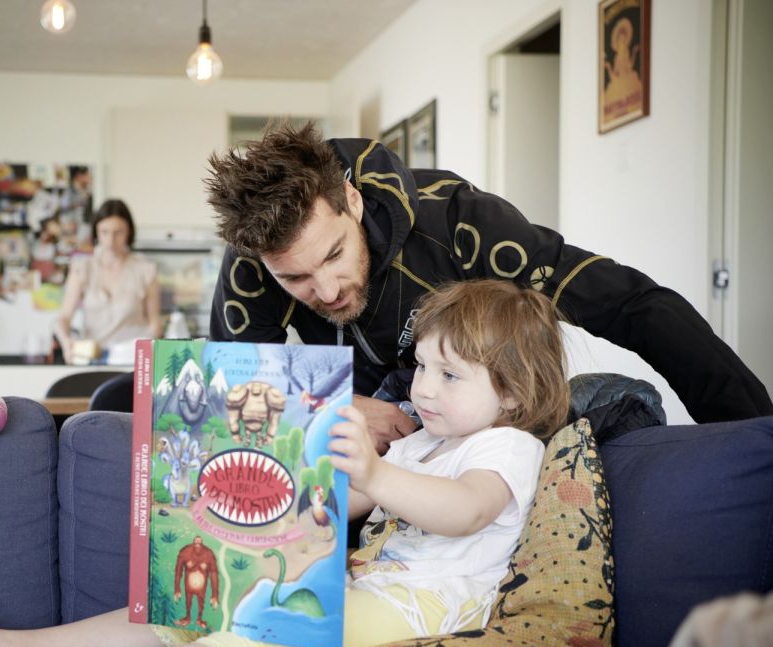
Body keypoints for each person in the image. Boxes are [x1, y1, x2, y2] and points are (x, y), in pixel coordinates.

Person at [0, 279, 568, 647]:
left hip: (424, 611)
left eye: (449, 375)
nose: (422, 386)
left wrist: (373, 470)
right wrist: (308, 470)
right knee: (204, 599)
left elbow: (463, 509)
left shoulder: (506, 446)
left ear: (511, 392)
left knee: (261, 633)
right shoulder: (429, 439)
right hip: (367, 585)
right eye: (421, 364)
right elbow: (357, 504)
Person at [205, 121, 771, 453]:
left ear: (351, 201)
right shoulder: (250, 267)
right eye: (295, 277)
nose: (325, 290)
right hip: (377, 430)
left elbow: (635, 305)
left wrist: (752, 441)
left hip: (486, 414)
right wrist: (333, 408)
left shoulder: (458, 221)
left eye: (334, 255)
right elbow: (220, 398)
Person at [53, 199, 161, 362]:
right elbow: (63, 318)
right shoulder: (82, 269)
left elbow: (155, 324)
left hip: (132, 360)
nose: (111, 240)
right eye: (104, 232)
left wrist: (148, 356)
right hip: (94, 358)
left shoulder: (145, 270)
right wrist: (66, 341)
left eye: (118, 232)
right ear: (96, 232)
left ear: (129, 232)